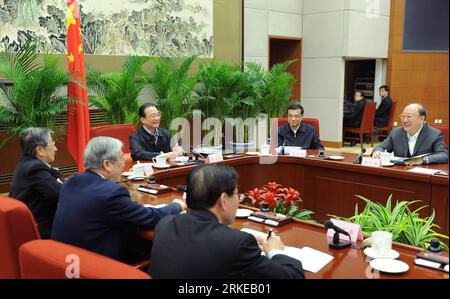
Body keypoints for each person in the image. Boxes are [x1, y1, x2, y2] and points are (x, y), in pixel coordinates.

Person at [148, 164, 305, 279]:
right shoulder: (237, 244)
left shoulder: (165, 224)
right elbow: (292, 277)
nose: (238, 200)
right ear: (223, 200)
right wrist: (274, 251)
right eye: (237, 194)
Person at [51, 136, 187, 260]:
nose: (124, 162)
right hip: (94, 266)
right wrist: (177, 205)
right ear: (107, 164)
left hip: (63, 262)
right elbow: (149, 218)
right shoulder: (110, 193)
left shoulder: (71, 181)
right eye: (121, 157)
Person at [9, 128, 64, 239]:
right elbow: (59, 194)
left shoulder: (26, 163)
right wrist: (59, 179)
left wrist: (58, 178)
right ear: (40, 150)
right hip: (40, 232)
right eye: (52, 144)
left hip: (26, 225)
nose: (56, 148)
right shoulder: (35, 168)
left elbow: (55, 176)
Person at [372, 104, 448, 165]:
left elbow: (444, 155)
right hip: (401, 174)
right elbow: (381, 147)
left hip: (422, 176)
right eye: (403, 116)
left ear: (422, 119)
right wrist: (377, 152)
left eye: (409, 116)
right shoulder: (396, 132)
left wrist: (423, 160)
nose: (405, 120)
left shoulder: (435, 134)